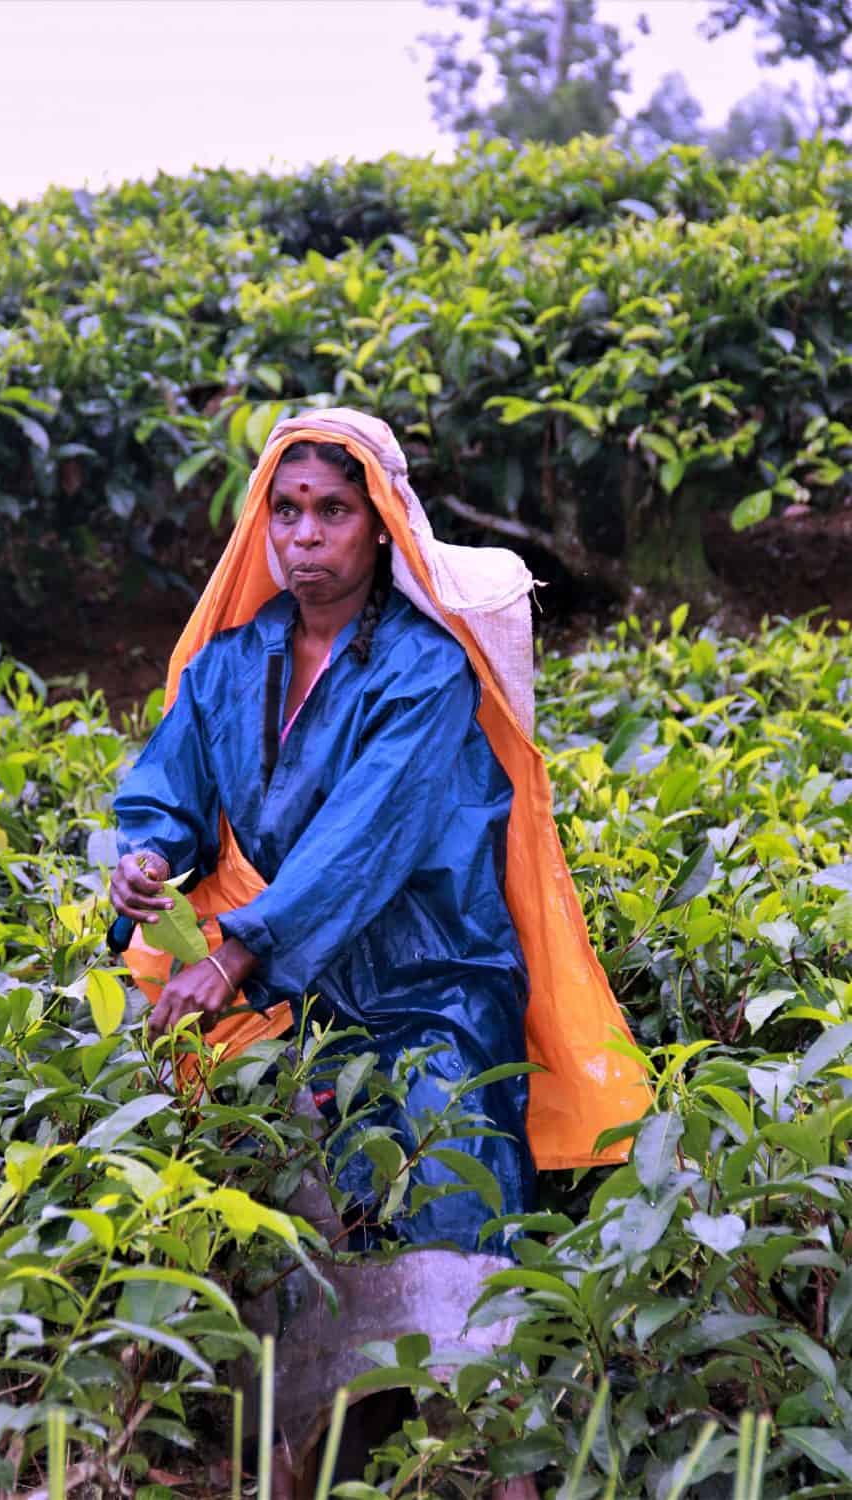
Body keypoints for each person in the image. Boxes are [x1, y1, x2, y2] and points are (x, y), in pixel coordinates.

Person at [108, 407, 647, 1493]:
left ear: (381, 525)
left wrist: (238, 954)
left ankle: (491, 1454)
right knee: (296, 1224)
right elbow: (168, 783)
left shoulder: (425, 670)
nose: (304, 535)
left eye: (332, 512)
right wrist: (145, 855)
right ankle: (317, 1456)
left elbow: (366, 835)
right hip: (294, 1000)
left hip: (431, 984)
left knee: (450, 1190)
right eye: (286, 511)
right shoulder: (229, 666)